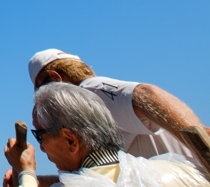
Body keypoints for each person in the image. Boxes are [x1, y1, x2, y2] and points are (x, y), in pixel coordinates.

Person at [28, 49, 209, 176]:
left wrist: (202, 144)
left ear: (55, 79)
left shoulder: (90, 90)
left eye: (42, 91)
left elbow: (147, 94)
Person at [3, 83, 208, 187]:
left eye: (40, 136)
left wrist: (25, 171)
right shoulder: (179, 170)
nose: (40, 147)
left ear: (70, 140)